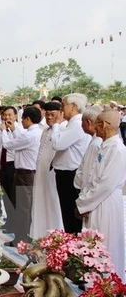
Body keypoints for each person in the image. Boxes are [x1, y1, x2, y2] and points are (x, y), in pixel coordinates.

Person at [76, 110, 126, 281]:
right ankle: (92, 282)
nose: (94, 127)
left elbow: (105, 184)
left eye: (97, 123)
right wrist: (85, 202)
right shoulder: (104, 146)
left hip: (106, 202)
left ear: (104, 125)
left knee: (106, 243)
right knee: (92, 243)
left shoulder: (118, 150)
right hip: (95, 201)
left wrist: (83, 204)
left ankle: (108, 283)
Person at [0, 107, 42, 245]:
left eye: (22, 118)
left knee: (22, 207)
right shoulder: (34, 132)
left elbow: (8, 144)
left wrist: (3, 131)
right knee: (24, 206)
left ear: (28, 119)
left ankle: (21, 238)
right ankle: (25, 234)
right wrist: (12, 130)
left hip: (25, 174)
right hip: (26, 173)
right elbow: (19, 138)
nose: (21, 121)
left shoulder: (30, 134)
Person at [51, 93, 91, 234]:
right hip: (66, 173)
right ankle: (71, 243)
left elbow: (57, 144)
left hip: (70, 174)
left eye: (64, 105)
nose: (61, 108)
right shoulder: (72, 123)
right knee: (67, 213)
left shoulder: (77, 124)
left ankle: (73, 245)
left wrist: (56, 125)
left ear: (74, 106)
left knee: (71, 214)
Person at [29, 102, 65, 239]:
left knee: (53, 204)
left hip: (52, 174)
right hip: (40, 173)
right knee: (39, 202)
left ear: (60, 114)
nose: (49, 117)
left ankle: (56, 236)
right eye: (47, 114)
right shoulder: (45, 130)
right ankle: (39, 234)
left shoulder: (62, 129)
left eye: (53, 115)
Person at [0, 106, 19, 232]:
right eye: (5, 115)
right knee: (5, 194)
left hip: (13, 164)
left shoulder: (19, 129)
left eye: (9, 115)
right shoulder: (2, 128)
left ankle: (14, 223)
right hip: (4, 163)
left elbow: (10, 145)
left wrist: (5, 131)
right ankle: (9, 220)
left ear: (16, 116)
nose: (7, 117)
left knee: (13, 196)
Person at [74, 105, 104, 193]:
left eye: (82, 121)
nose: (81, 124)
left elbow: (89, 173)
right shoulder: (95, 141)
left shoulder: (95, 144)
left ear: (88, 122)